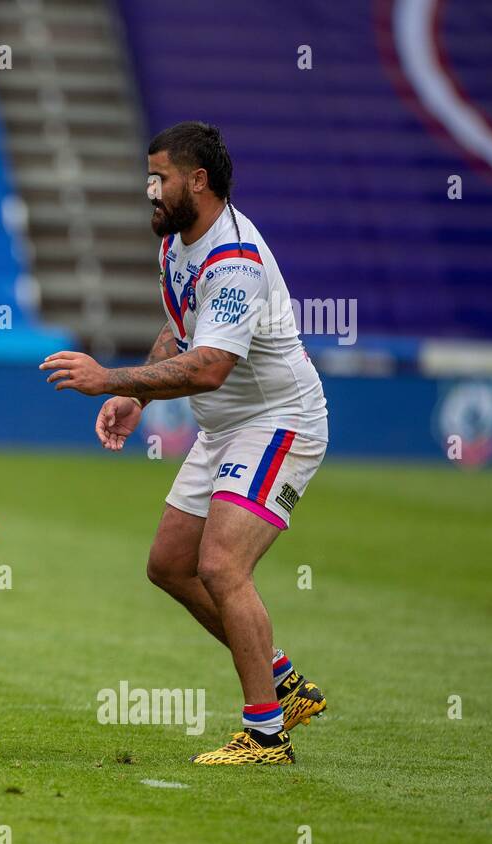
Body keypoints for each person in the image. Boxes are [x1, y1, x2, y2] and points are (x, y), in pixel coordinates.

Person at [40, 121, 328, 765]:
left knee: (222, 566)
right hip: (226, 427)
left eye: (159, 176)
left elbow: (210, 367)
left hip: (279, 422)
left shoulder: (235, 262)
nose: (149, 189)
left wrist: (106, 376)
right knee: (169, 564)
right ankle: (281, 679)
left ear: (197, 181)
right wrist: (133, 396)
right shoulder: (178, 242)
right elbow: (180, 332)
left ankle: (265, 734)